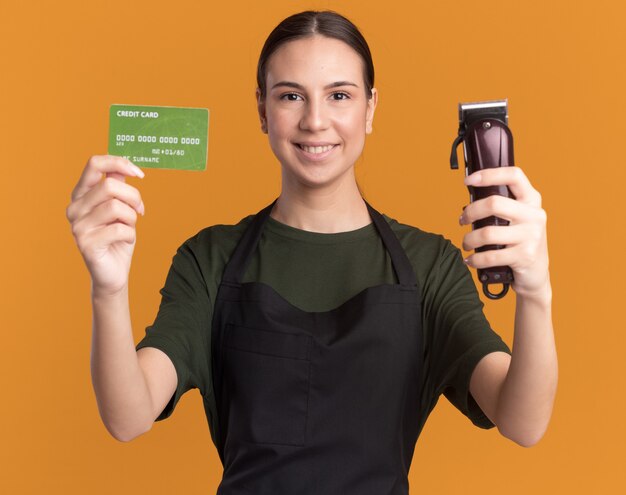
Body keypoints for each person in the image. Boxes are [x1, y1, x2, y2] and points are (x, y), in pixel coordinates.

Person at [65, 10, 557, 494]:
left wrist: (535, 292)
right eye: (291, 96)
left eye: (339, 95)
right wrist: (108, 289)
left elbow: (522, 421)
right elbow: (129, 417)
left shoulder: (429, 265)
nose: (315, 121)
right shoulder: (209, 259)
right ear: (262, 109)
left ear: (369, 108)